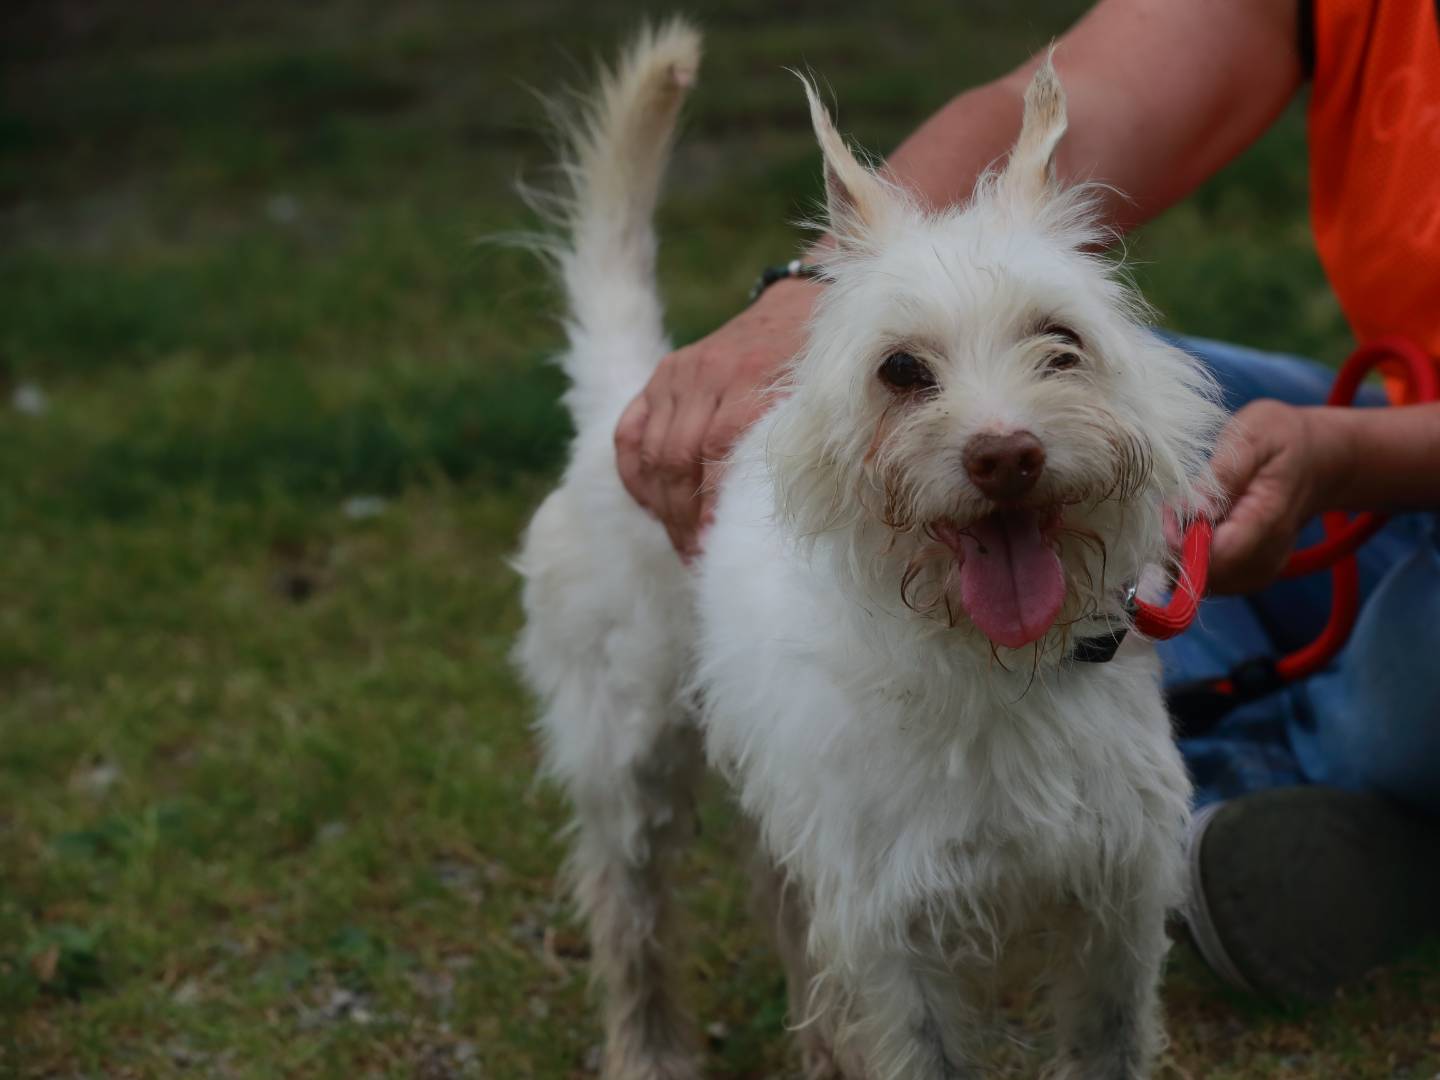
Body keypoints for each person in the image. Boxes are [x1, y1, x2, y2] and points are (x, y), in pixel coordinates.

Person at [612, 0, 1440, 1001]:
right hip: (1398, 438)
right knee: (1140, 416)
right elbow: (1068, 104)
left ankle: (1293, 779)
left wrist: (1353, 457)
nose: (997, 432)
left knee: (1404, 703)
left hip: (1389, 453)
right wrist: (830, 284)